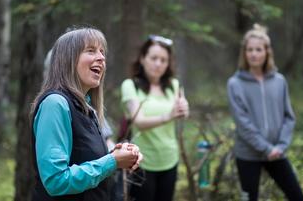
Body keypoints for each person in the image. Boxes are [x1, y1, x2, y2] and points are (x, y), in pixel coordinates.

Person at [31, 27, 142, 201]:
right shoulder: (55, 104)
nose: (101, 57)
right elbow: (56, 181)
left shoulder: (87, 107)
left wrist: (121, 155)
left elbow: (84, 158)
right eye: (91, 51)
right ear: (68, 60)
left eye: (102, 52)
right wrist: (112, 161)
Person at [227, 24, 303, 201]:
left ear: (267, 52)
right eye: (250, 50)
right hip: (248, 155)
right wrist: (266, 148)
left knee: (297, 196)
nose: (254, 54)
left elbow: (289, 116)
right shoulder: (235, 84)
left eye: (258, 49)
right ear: (244, 53)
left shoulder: (279, 81)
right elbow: (243, 124)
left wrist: (281, 146)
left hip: (277, 153)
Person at [120, 35, 189, 201]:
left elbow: (183, 113)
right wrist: (169, 115)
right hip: (141, 162)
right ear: (143, 58)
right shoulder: (130, 86)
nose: (158, 64)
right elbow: (139, 121)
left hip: (169, 159)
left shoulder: (173, 85)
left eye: (163, 60)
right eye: (154, 58)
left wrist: (184, 110)